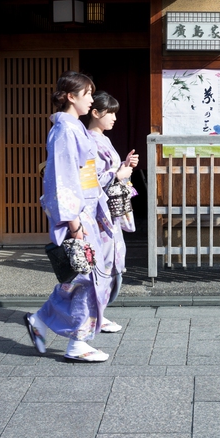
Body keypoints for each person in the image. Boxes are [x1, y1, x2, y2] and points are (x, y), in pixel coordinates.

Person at [24, 71, 114, 362]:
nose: (91, 100)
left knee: (78, 278)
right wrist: (74, 223)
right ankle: (78, 342)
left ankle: (40, 320)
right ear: (71, 97)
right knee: (87, 279)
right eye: (87, 94)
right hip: (75, 215)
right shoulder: (65, 130)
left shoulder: (72, 127)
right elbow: (63, 178)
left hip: (85, 210)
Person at [86, 91, 139, 331]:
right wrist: (117, 175)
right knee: (104, 263)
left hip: (109, 212)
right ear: (95, 113)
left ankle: (98, 313)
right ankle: (94, 315)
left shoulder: (103, 139)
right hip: (99, 214)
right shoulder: (89, 141)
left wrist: (125, 165)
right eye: (111, 113)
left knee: (113, 261)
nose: (115, 118)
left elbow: (110, 172)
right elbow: (91, 179)